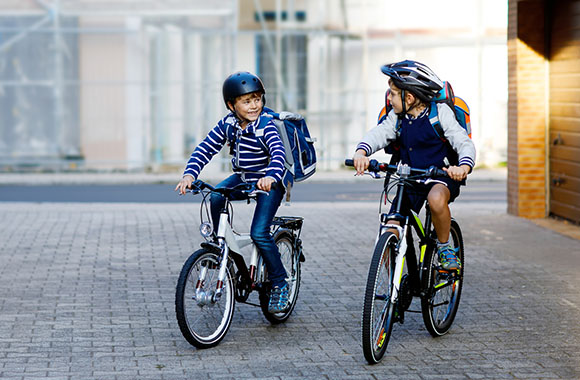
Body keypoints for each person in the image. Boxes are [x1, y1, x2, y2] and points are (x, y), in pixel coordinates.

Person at [175, 71, 290, 313]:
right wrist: (189, 174)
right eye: (246, 101)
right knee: (216, 195)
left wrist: (270, 176)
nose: (254, 105)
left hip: (270, 181)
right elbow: (206, 148)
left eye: (257, 99)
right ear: (231, 105)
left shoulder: (266, 125)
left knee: (259, 232)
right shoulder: (228, 124)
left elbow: (278, 154)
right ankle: (220, 243)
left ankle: (280, 283)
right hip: (244, 177)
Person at [352, 60, 476, 270]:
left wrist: (462, 167)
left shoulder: (440, 114)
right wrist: (361, 152)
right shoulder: (398, 118)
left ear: (409, 97)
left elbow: (463, 142)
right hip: (409, 178)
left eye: (392, 93)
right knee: (391, 225)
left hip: (441, 176)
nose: (389, 99)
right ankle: (393, 281)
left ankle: (445, 247)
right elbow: (379, 133)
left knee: (436, 200)